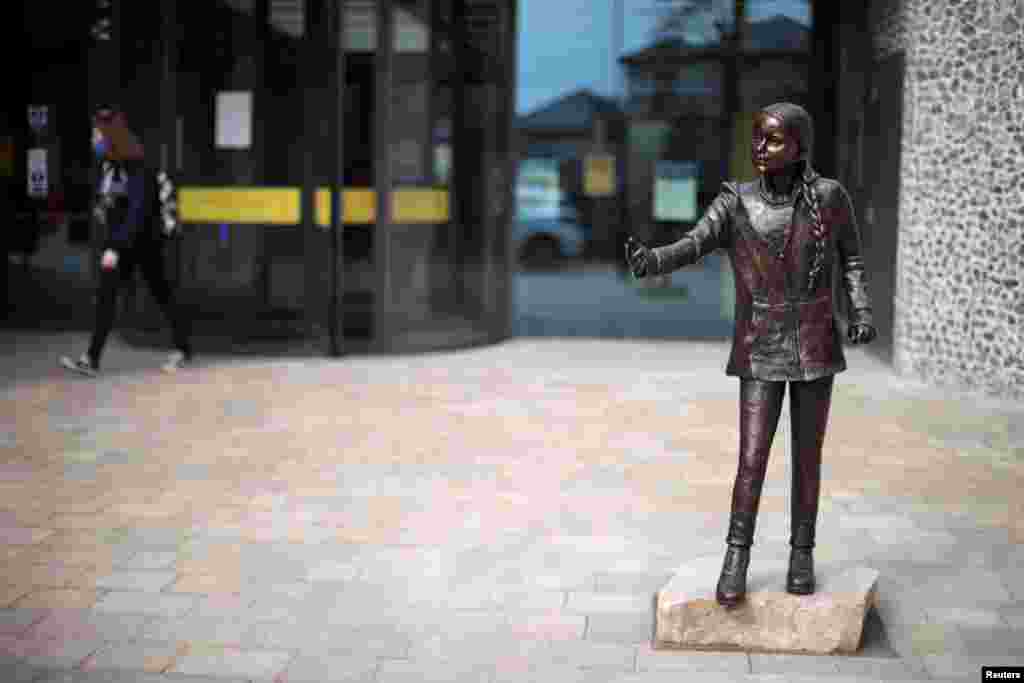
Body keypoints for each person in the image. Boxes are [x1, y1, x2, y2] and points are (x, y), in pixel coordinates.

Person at [625, 102, 876, 607]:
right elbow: (695, 242)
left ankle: (801, 554)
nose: (760, 148)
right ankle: (736, 556)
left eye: (773, 139)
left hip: (814, 342)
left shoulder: (829, 197)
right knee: (752, 458)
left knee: (807, 458)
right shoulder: (735, 202)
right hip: (760, 344)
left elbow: (850, 258)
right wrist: (654, 261)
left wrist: (861, 309)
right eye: (757, 137)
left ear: (799, 147)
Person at [60, 105, 192, 377]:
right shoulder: (110, 165)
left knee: (161, 294)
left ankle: (183, 348)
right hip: (125, 242)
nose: (94, 140)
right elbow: (113, 203)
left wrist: (115, 248)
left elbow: (137, 211)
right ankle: (92, 359)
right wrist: (104, 210)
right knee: (108, 296)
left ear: (111, 135)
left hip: (144, 242)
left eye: (97, 134)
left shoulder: (136, 165)